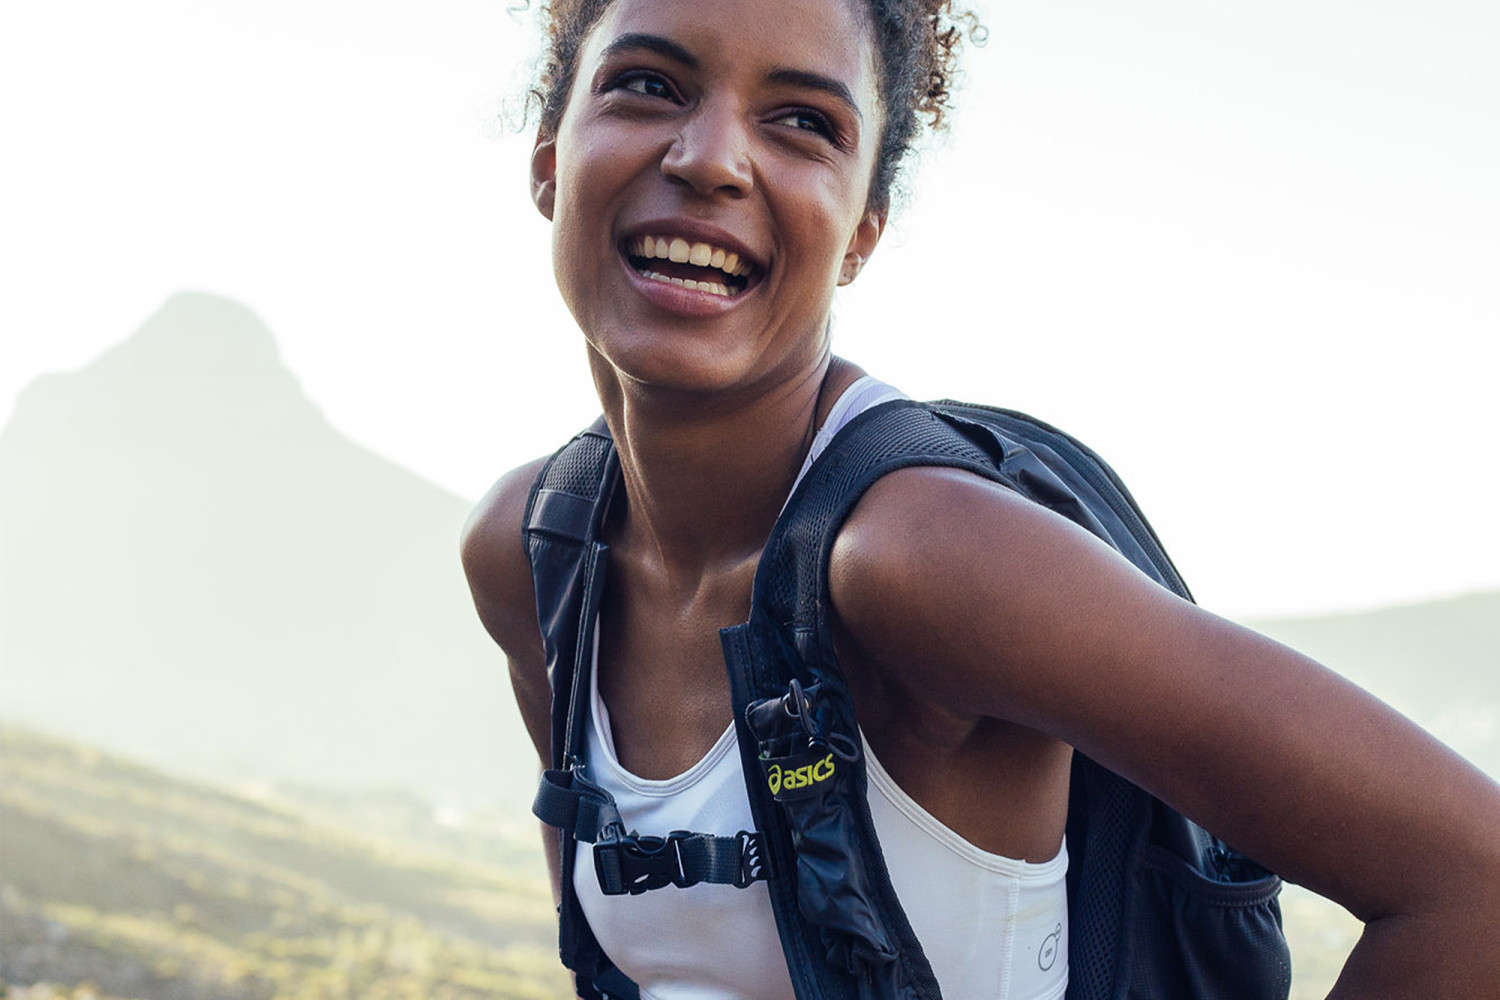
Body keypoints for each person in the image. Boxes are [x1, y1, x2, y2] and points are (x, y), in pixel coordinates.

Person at [460, 0, 1500, 996]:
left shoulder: (923, 558)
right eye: (648, 84)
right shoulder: (536, 552)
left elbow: (1475, 879)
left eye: (802, 123)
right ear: (549, 158)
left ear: (862, 229)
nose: (711, 158)